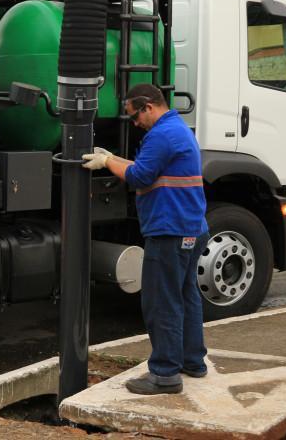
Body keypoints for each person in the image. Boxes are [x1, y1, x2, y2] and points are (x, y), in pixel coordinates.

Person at [82, 83, 209, 395]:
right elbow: (145, 168)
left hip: (169, 230)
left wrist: (107, 163)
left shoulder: (162, 135)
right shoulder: (177, 129)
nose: (135, 123)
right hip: (190, 228)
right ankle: (193, 361)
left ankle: (165, 374)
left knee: (162, 302)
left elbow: (139, 176)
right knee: (185, 296)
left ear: (148, 106)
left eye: (135, 116)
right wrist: (113, 158)